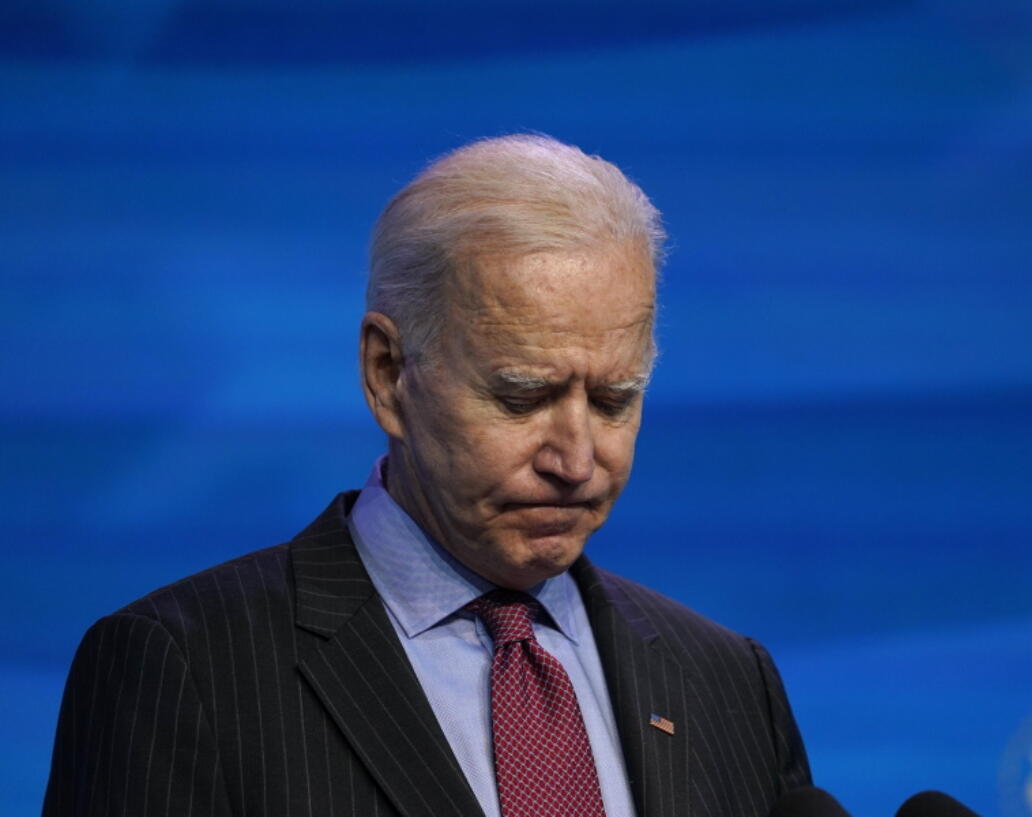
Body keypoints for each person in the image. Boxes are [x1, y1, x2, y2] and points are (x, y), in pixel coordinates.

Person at [43, 134, 811, 817]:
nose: (576, 461)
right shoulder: (183, 669)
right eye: (522, 396)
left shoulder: (729, 684)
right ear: (387, 373)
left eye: (614, 400)